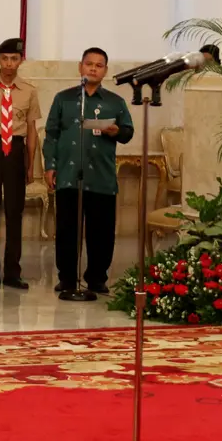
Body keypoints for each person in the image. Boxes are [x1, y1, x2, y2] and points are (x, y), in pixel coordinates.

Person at [43, 47, 134, 296]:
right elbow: (51, 134)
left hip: (101, 176)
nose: (93, 68)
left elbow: (128, 131)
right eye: (89, 64)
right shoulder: (64, 99)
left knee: (101, 231)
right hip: (69, 175)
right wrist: (50, 165)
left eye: (99, 65)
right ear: (80, 67)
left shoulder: (115, 102)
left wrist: (117, 131)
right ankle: (67, 279)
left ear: (105, 70)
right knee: (67, 230)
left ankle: (96, 278)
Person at [0, 37, 40, 290]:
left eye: (14, 58)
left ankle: (13, 272)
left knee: (15, 212)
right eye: (4, 58)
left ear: (21, 61)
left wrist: (30, 165)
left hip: (15, 149)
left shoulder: (29, 90)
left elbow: (32, 129)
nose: (9, 63)